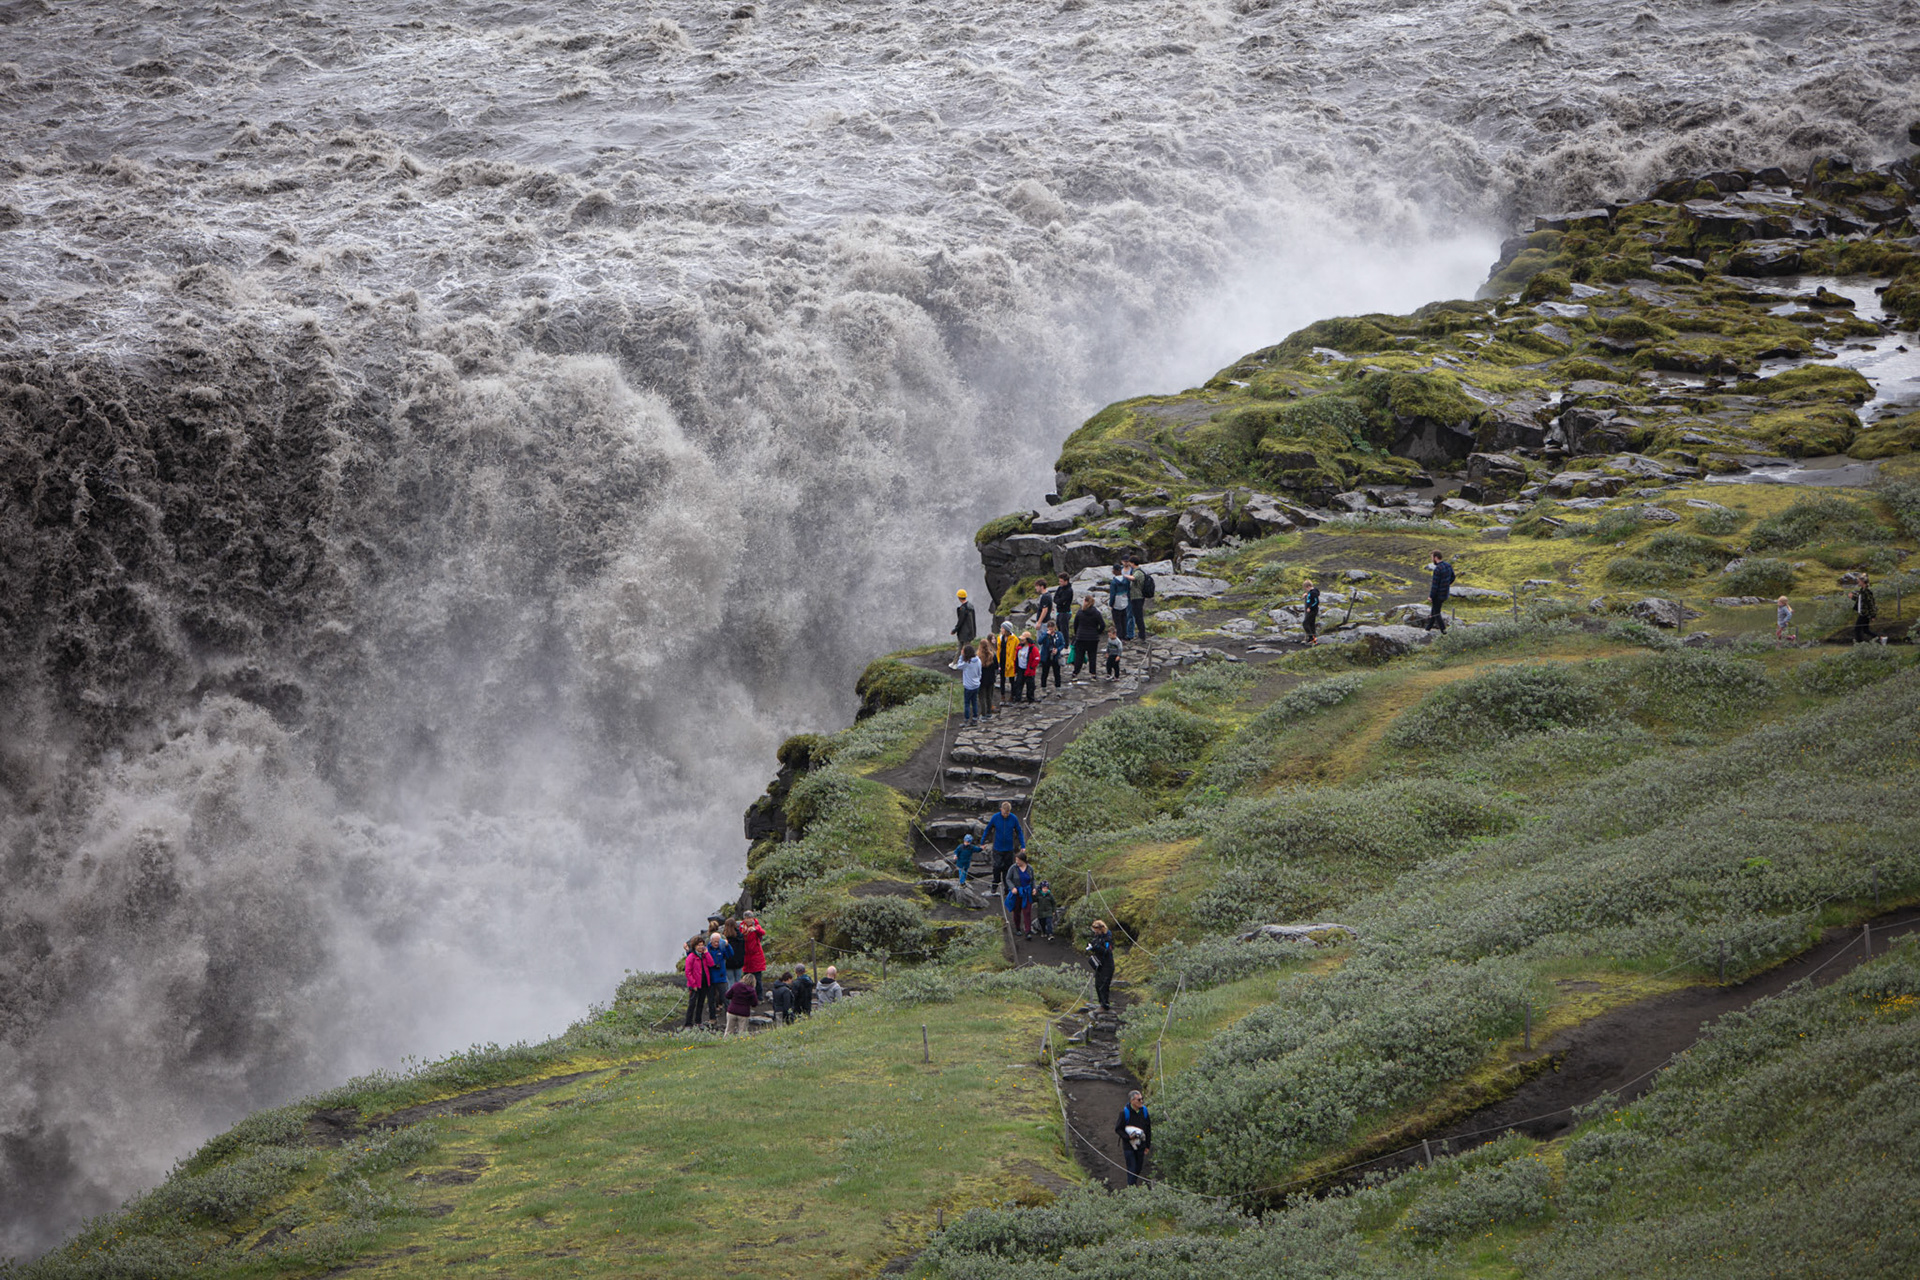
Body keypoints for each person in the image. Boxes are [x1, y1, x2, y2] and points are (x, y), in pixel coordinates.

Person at [984, 800, 1026, 893]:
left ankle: (1007, 887)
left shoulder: (1013, 818)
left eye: (1007, 813)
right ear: (1001, 810)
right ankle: (995, 884)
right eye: (1004, 813)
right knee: (997, 867)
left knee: (1008, 868)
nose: (1006, 815)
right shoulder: (995, 817)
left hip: (1009, 849)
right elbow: (988, 829)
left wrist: (1023, 845)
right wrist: (982, 841)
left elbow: (1019, 831)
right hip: (997, 848)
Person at [1115, 1090, 1152, 1186]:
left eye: (1142, 1099)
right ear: (1132, 1101)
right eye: (1139, 1099)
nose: (1141, 1101)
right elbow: (1118, 1129)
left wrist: (1147, 1145)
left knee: (1138, 1168)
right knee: (1132, 1168)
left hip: (1141, 1145)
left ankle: (1133, 1186)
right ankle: (1131, 1190)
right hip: (1128, 1146)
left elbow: (1148, 1129)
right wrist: (1128, 1137)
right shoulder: (1124, 1113)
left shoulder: (1144, 1111)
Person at [1073, 594, 1107, 678]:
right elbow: (1102, 625)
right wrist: (1097, 632)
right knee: (1092, 656)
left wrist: (1077, 633)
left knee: (1079, 656)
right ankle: (1093, 673)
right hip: (1093, 638)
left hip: (1081, 637)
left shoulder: (1080, 612)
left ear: (1085, 602)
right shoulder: (1096, 613)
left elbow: (1075, 624)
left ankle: (1075, 672)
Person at [683, 937, 713, 1029]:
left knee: (701, 1003)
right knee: (692, 1004)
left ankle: (698, 1022)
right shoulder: (691, 957)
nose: (701, 947)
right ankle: (688, 1023)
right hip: (695, 985)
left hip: (704, 983)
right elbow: (688, 972)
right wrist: (693, 984)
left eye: (702, 945)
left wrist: (707, 953)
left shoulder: (704, 956)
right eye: (698, 945)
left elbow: (711, 964)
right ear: (694, 946)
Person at [950, 643, 983, 723]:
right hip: (976, 685)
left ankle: (966, 719)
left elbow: (958, 666)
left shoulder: (966, 663)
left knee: (967, 703)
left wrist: (961, 656)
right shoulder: (978, 660)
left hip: (968, 686)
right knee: (974, 702)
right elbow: (980, 672)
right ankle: (975, 718)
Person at [1087, 920, 1115, 1011]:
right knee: (1097, 984)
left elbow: (1107, 951)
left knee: (1104, 984)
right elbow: (1094, 944)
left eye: (1096, 930)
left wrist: (1097, 947)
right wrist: (1092, 946)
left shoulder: (1107, 938)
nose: (1095, 932)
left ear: (1101, 928)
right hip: (1099, 964)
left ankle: (1105, 1004)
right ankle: (1101, 1003)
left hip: (1107, 964)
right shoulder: (1097, 937)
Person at [739, 912, 768, 1001]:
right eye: (747, 918)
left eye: (750, 918)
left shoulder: (757, 926)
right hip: (746, 957)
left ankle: (759, 997)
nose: (748, 920)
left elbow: (763, 932)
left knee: (758, 979)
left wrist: (755, 929)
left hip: (756, 957)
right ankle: (748, 996)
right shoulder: (741, 927)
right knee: (747, 978)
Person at [706, 931, 733, 1022]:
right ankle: (712, 1018)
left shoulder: (722, 948)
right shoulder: (707, 950)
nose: (717, 944)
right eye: (715, 942)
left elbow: (730, 955)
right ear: (711, 941)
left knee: (725, 998)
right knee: (711, 1000)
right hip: (710, 979)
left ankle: (730, 1018)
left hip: (721, 978)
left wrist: (727, 946)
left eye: (718, 941)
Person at [1425, 550, 1454, 633]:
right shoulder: (1448, 565)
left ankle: (1444, 631)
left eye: (1432, 558)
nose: (1431, 560)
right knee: (1434, 610)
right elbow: (1453, 577)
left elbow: (1435, 585)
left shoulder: (1437, 569)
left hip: (1438, 595)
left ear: (1436, 557)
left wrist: (1431, 596)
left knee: (1436, 613)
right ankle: (1428, 628)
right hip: (1445, 593)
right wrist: (1446, 585)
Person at [1009, 852, 1036, 937]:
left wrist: (1034, 888)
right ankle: (1017, 928)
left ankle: (1028, 931)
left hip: (1027, 892)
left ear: (1023, 860)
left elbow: (1032, 880)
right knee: (1017, 911)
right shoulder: (1013, 868)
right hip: (1017, 892)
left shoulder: (1030, 868)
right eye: (1016, 860)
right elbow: (1008, 878)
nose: (1017, 862)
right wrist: (1012, 888)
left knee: (1027, 911)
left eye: (1018, 860)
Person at [1127, 556, 1151, 642]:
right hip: (1136, 597)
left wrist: (1125, 575)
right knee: (1137, 616)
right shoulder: (1136, 571)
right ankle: (1141, 634)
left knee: (1139, 617)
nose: (1129, 564)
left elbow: (1133, 578)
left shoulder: (1138, 572)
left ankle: (1142, 635)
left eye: (1130, 563)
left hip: (1138, 597)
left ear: (1133, 563)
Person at [1039, 622, 1067, 692]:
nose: (1051, 629)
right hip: (1046, 656)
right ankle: (1043, 688)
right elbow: (1039, 641)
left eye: (1052, 628)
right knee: (1045, 673)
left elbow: (1063, 644)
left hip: (1055, 656)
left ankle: (1058, 688)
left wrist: (1057, 650)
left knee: (1057, 673)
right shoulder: (1045, 634)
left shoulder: (1059, 634)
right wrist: (1046, 634)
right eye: (1049, 628)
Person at [1109, 563, 1133, 640]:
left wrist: (1111, 604)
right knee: (1124, 619)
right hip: (1125, 600)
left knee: (1117, 621)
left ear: (1115, 571)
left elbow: (1112, 595)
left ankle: (1119, 636)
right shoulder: (1126, 580)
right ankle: (1125, 634)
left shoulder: (1113, 583)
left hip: (1117, 603)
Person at [1015, 631, 1039, 703]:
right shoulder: (1019, 647)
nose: (1021, 641)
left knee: (1030, 685)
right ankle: (1018, 698)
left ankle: (1030, 698)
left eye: (1023, 639)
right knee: (1018, 684)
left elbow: (1037, 658)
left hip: (1029, 669)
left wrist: (1031, 667)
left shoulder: (1033, 648)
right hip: (1020, 668)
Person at [1852, 575, 1877, 643]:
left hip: (1865, 614)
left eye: (1859, 581)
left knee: (1857, 629)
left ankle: (1859, 643)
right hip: (1862, 613)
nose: (1858, 582)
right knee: (1866, 630)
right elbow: (1860, 600)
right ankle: (1878, 638)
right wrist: (1852, 597)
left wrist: (1873, 615)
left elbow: (1871, 604)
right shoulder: (1862, 591)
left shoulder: (1867, 592)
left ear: (1863, 582)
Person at [996, 622, 1019, 697]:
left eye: (1002, 628)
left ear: (1006, 629)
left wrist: (1014, 660)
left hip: (1010, 661)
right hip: (1002, 660)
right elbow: (998, 649)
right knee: (1002, 678)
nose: (1001, 629)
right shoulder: (1000, 638)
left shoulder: (1014, 639)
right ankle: (1002, 694)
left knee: (1012, 679)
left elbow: (1017, 651)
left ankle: (1013, 695)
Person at [978, 639, 999, 718]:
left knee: (982, 697)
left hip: (981, 679)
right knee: (989, 696)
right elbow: (996, 666)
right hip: (990, 679)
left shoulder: (978, 656)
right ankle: (989, 712)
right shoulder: (992, 655)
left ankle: (983, 713)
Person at [952, 589, 977, 653]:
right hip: (970, 632)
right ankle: (956, 662)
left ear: (959, 597)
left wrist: (955, 630)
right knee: (963, 648)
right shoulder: (971, 606)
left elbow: (960, 621)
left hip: (964, 633)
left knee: (965, 650)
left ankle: (963, 661)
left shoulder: (963, 608)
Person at [722, 920, 746, 987]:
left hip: (728, 963)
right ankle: (738, 996)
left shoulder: (724, 938)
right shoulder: (740, 936)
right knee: (738, 980)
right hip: (739, 962)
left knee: (730, 981)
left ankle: (731, 996)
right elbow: (743, 949)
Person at [1302, 578, 1321, 645]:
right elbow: (1310, 598)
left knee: (1305, 623)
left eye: (1306, 589)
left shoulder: (1314, 592)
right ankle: (1313, 638)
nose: (1306, 590)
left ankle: (1311, 637)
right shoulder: (1311, 592)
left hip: (1313, 610)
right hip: (1310, 610)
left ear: (1308, 587)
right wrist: (1307, 594)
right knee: (1311, 624)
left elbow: (1316, 602)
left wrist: (1310, 607)